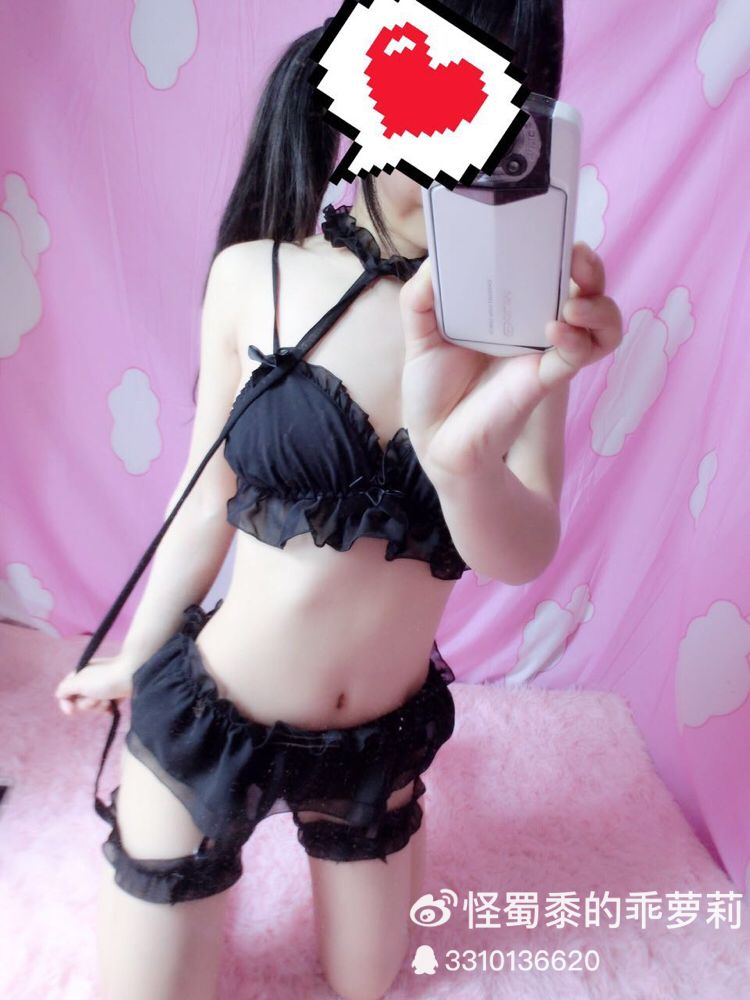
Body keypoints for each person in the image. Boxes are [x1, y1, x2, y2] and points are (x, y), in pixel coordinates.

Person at [54, 3, 622, 999]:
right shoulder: (258, 276)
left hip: (375, 751)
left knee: (370, 982)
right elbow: (201, 502)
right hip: (214, 720)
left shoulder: (523, 326)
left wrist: (461, 461)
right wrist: (136, 656)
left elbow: (523, 548)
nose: (459, 157)